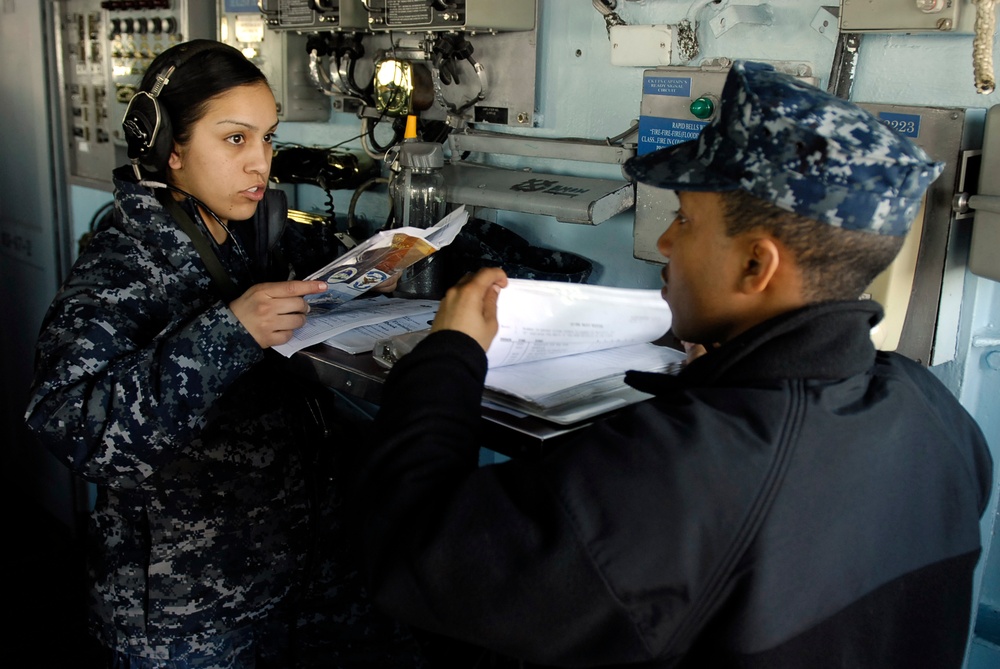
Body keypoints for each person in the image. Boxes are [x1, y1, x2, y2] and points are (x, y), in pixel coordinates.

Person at [351, 60, 994, 667]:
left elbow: (414, 553)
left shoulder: (682, 471)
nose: (663, 240)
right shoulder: (934, 413)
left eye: (685, 219)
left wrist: (450, 353)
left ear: (755, 266)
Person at [25, 39, 423, 668]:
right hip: (191, 619)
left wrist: (357, 282)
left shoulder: (250, 237)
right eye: (235, 139)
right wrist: (227, 333)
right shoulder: (122, 266)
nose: (259, 162)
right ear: (171, 148)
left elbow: (295, 305)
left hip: (297, 577)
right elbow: (74, 427)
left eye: (267, 138)